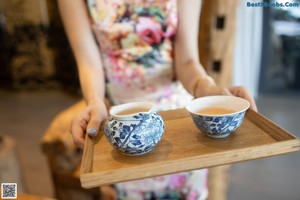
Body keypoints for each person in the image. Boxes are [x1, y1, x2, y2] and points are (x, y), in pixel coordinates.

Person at [58, 0, 257, 199]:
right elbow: (89, 63)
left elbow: (187, 60)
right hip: (122, 128)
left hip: (177, 123)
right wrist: (94, 101)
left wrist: (208, 89)